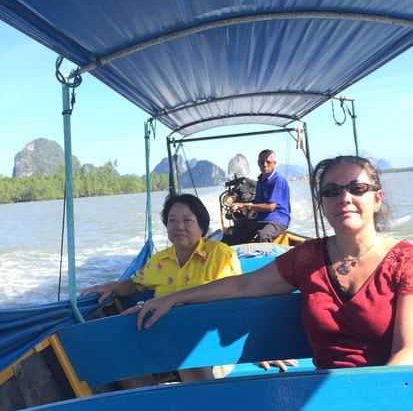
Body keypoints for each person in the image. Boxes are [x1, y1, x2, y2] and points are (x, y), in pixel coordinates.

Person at [126, 156, 413, 370]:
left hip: (386, 396)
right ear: (322, 204)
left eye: (357, 188)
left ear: (377, 199)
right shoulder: (308, 257)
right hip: (321, 393)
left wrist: (372, 405)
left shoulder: (405, 261)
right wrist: (172, 298)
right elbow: (242, 285)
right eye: (331, 191)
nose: (344, 198)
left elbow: (407, 352)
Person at [81, 193, 242, 386]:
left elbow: (235, 296)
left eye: (187, 220)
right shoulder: (160, 261)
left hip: (209, 341)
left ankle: (204, 400)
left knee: (185, 351)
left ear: (202, 226)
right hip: (163, 339)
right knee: (117, 353)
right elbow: (134, 284)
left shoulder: (220, 255)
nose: (179, 226)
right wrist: (114, 285)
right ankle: (151, 401)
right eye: (172, 220)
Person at [222, 149, 291, 245]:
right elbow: (256, 203)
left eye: (268, 162)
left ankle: (266, 255)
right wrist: (240, 207)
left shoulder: (278, 181)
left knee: (263, 235)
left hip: (278, 219)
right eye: (262, 162)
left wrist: (247, 205)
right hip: (262, 218)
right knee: (232, 232)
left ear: (274, 163)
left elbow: (271, 207)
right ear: (258, 163)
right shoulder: (260, 180)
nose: (265, 164)